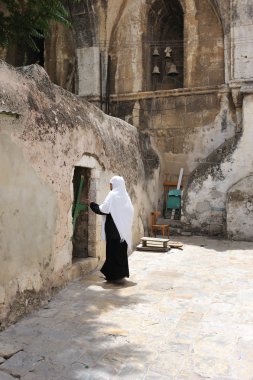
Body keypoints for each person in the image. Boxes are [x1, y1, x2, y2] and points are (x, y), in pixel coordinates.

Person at [89, 176, 134, 283]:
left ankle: (112, 276)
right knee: (120, 252)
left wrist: (92, 205)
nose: (110, 186)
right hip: (123, 231)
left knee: (112, 252)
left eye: (111, 184)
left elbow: (104, 209)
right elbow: (130, 211)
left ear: (115, 184)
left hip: (113, 230)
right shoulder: (125, 196)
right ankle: (120, 274)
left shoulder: (113, 194)